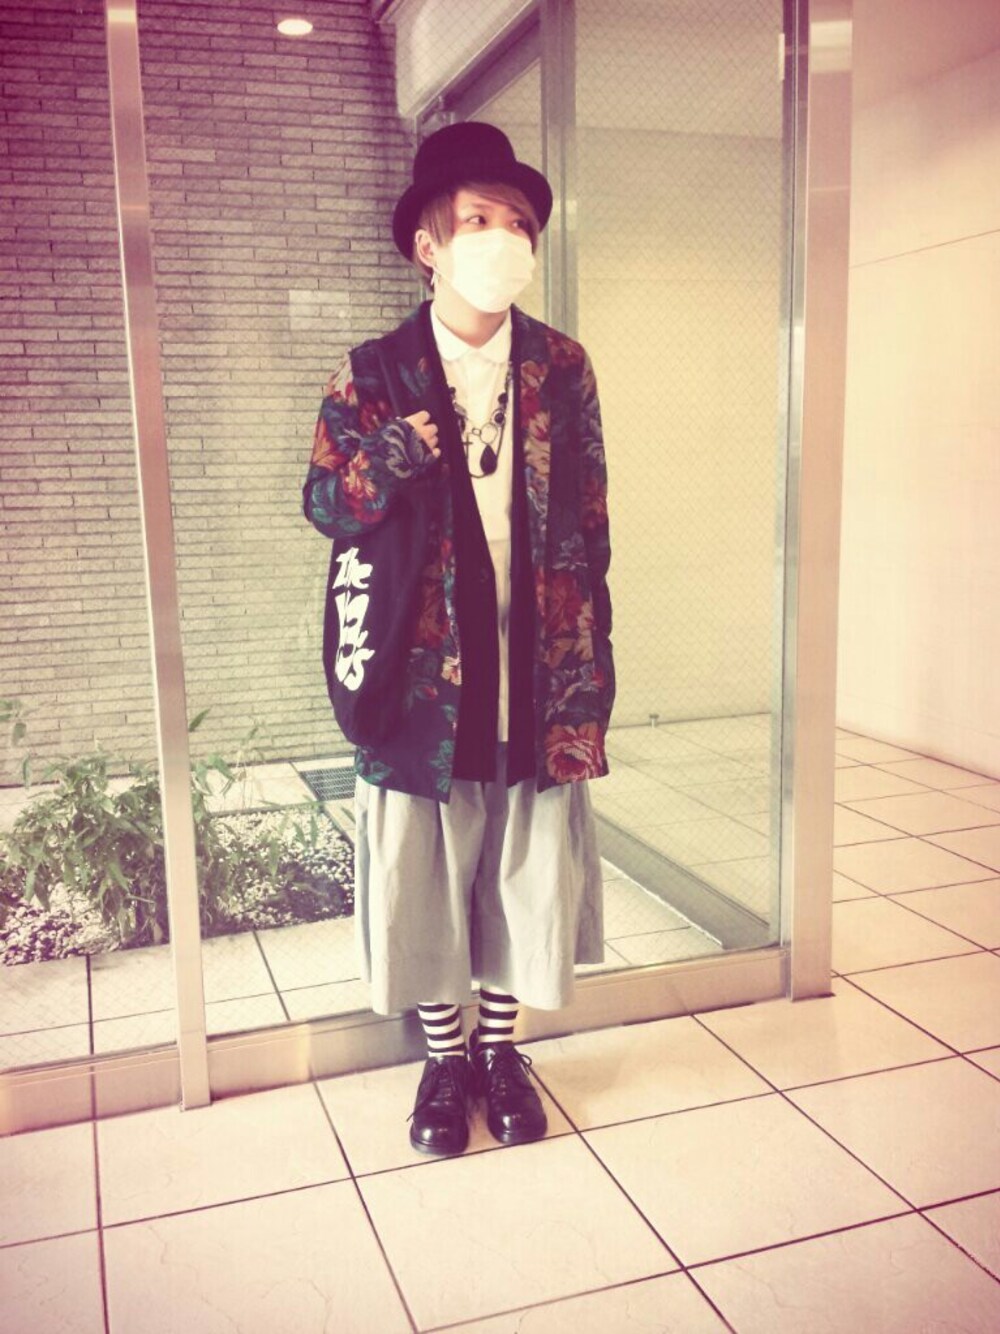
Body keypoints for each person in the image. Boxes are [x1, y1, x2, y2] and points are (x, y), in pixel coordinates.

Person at [302, 121, 615, 1156]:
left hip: (536, 654)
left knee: (520, 855)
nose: (502, 238)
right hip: (419, 663)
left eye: (517, 221)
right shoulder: (376, 372)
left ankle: (498, 1050)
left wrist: (591, 657)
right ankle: (443, 1059)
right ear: (428, 244)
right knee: (428, 863)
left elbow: (591, 520)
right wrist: (393, 453)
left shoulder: (560, 365)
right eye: (477, 218)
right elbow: (325, 502)